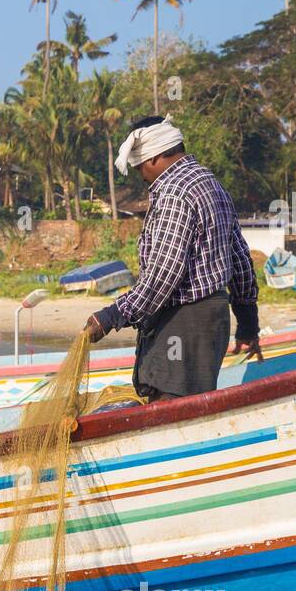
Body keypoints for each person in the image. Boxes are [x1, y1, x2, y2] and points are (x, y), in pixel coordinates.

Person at [84, 115, 262, 401]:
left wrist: (113, 316)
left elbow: (164, 273)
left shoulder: (174, 192)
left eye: (139, 164)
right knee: (194, 404)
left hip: (184, 319)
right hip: (213, 317)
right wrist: (247, 320)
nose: (141, 173)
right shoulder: (209, 182)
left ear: (154, 157)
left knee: (169, 405)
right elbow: (239, 256)